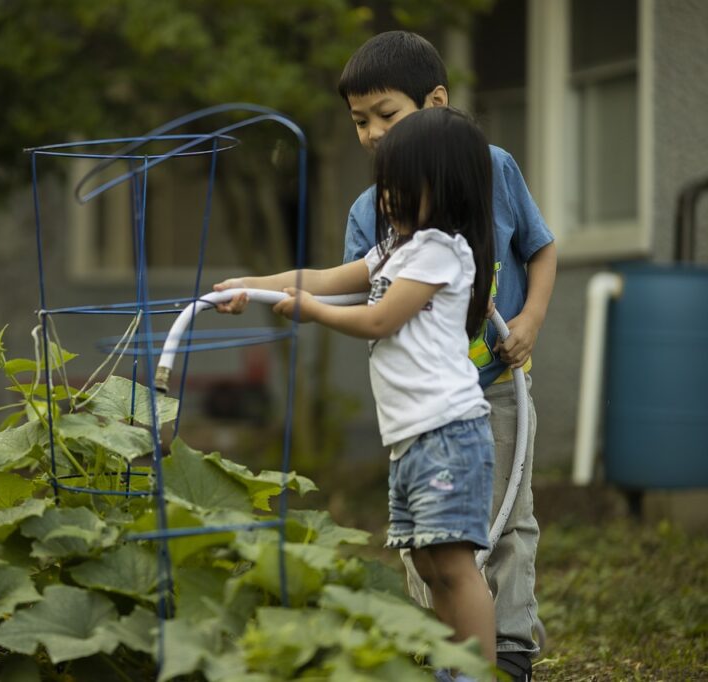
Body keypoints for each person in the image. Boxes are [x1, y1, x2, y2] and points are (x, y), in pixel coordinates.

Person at [215, 106, 499, 674]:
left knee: (455, 565)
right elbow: (319, 278)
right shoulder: (393, 252)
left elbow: (378, 320)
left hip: (448, 432)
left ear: (442, 186)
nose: (387, 197)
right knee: (427, 564)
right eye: (384, 185)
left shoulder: (442, 249)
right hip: (412, 438)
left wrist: (314, 313)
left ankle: (478, 674)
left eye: (400, 186)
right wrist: (251, 284)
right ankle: (450, 668)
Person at [338, 31, 557, 682]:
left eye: (387, 115)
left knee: (509, 519)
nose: (374, 134)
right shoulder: (369, 211)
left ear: (436, 102)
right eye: (359, 122)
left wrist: (531, 319)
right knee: (427, 533)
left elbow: (541, 250)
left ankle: (510, 649)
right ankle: (440, 648)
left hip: (496, 383)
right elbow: (362, 297)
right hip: (427, 409)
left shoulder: (496, 170)